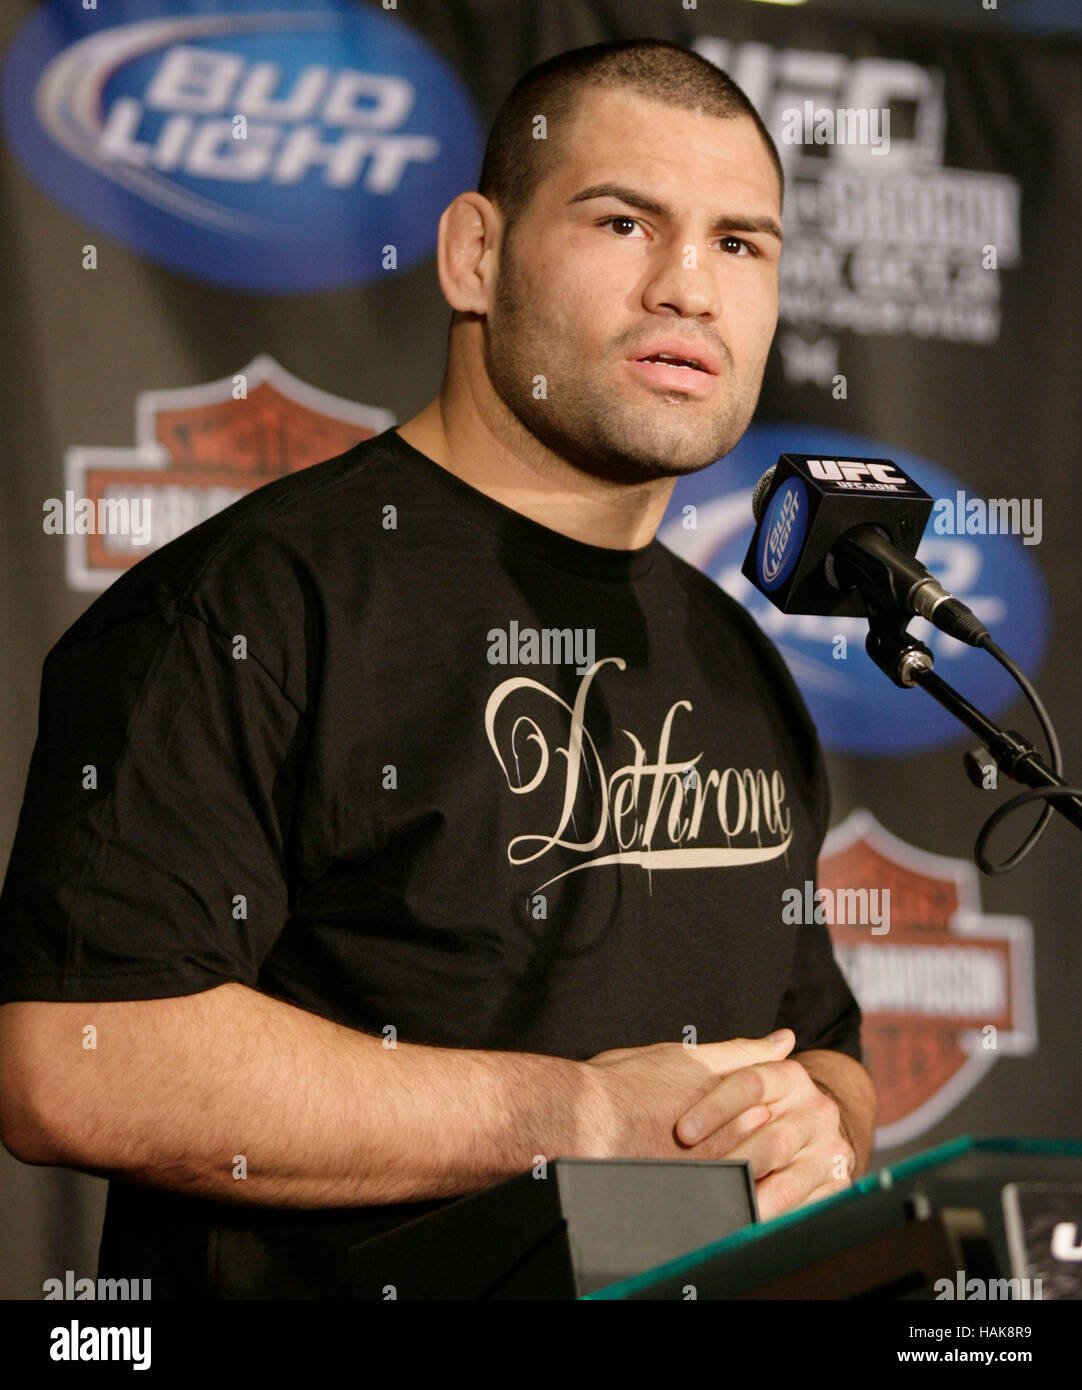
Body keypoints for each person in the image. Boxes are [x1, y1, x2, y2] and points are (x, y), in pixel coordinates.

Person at [0, 38, 875, 1299]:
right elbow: (76, 1060)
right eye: (623, 222)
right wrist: (576, 1120)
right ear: (474, 255)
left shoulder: (736, 659)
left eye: (738, 243)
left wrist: (819, 1125)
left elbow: (823, 1044)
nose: (689, 286)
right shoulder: (249, 604)